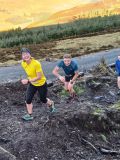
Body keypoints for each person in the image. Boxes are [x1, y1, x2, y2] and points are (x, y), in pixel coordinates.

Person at [20, 48, 55, 121]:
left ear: (30, 54)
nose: (26, 56)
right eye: (23, 54)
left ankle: (51, 104)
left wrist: (28, 81)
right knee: (28, 99)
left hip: (41, 84)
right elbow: (29, 73)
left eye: (27, 53)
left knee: (43, 99)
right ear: (22, 56)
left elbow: (39, 77)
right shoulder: (23, 63)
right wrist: (26, 79)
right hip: (32, 84)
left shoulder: (36, 63)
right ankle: (29, 115)